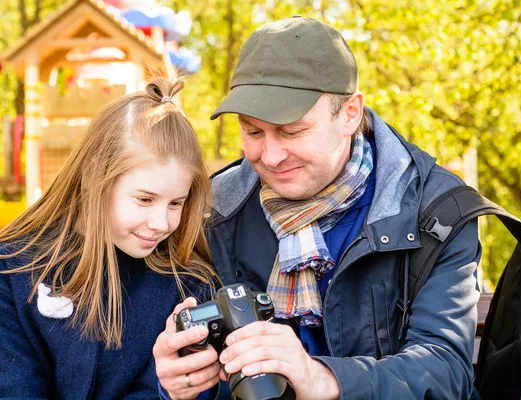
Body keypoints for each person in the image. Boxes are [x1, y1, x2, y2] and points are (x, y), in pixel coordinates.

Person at [155, 16, 482, 399]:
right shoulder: (213, 212)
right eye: (253, 132)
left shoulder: (436, 213)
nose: (271, 156)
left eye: (292, 131)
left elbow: (445, 372)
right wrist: (179, 385)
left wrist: (322, 378)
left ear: (349, 114)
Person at [0, 77, 219, 399]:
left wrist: (170, 390)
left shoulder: (188, 284)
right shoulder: (13, 270)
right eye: (144, 199)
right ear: (95, 180)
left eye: (176, 203)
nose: (160, 223)